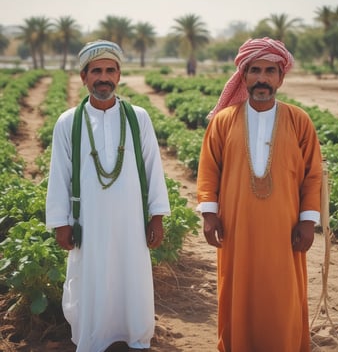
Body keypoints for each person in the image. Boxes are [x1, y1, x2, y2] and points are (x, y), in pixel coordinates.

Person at [197, 37, 322, 352]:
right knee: (238, 287)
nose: (262, 78)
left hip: (286, 229)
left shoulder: (299, 120)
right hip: (237, 227)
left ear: (280, 77)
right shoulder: (224, 121)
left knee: (283, 292)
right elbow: (209, 169)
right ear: (243, 76)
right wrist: (210, 215)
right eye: (255, 70)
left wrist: (308, 221)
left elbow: (313, 174)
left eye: (270, 71)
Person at [46, 40, 170, 352]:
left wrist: (156, 216)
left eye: (110, 70)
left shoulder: (138, 117)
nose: (104, 77)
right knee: (91, 276)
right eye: (96, 71)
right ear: (84, 76)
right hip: (89, 219)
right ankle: (94, 338)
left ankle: (135, 336)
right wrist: (61, 222)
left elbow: (153, 166)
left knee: (132, 276)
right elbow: (59, 174)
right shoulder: (68, 122)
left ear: (119, 75)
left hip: (131, 220)